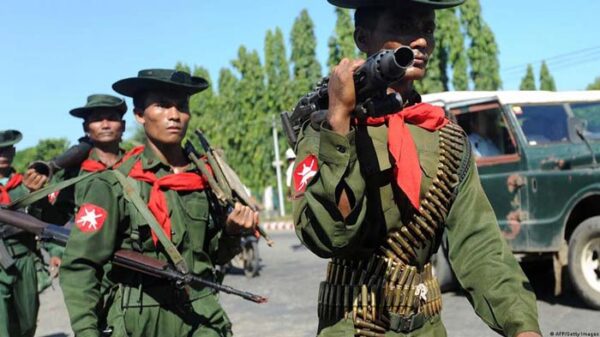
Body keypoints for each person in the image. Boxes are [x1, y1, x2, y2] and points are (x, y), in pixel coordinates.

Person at [291, 1, 542, 336]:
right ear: (363, 38)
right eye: (404, 25)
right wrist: (340, 121)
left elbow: (479, 244)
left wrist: (522, 325)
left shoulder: (445, 137)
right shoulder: (326, 127)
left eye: (428, 29)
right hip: (354, 327)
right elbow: (328, 237)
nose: (422, 40)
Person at [60, 69, 258, 337]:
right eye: (163, 105)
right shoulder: (113, 184)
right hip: (139, 319)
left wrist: (233, 232)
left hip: (201, 315)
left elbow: (210, 257)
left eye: (182, 107)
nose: (174, 115)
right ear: (140, 115)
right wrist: (87, 332)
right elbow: (80, 265)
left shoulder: (206, 180)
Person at [26, 94, 130, 284]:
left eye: (112, 118)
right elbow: (56, 221)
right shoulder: (70, 174)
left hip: (133, 263)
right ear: (85, 127)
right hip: (89, 267)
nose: (105, 125)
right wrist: (36, 194)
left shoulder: (137, 166)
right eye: (97, 119)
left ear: (122, 126)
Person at [0, 130, 40, 337]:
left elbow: (43, 220)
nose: (2, 155)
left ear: (14, 151)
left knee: (27, 321)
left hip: (24, 257)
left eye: (6, 150)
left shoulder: (26, 186)